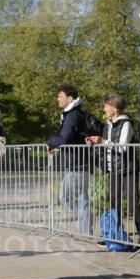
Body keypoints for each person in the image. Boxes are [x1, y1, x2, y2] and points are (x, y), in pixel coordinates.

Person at [86, 94, 140, 247]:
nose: (104, 108)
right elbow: (107, 145)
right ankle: (115, 236)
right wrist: (95, 143)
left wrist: (103, 141)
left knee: (133, 204)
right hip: (114, 169)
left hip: (129, 169)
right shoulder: (108, 124)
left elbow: (123, 147)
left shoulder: (126, 123)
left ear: (114, 107)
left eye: (106, 106)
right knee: (114, 203)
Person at [46, 85, 92, 236]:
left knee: (65, 197)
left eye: (60, 96)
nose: (57, 99)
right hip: (78, 162)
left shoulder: (72, 116)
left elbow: (64, 139)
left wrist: (50, 141)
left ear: (70, 98)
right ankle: (86, 230)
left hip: (76, 164)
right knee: (81, 198)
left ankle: (86, 223)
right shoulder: (73, 115)